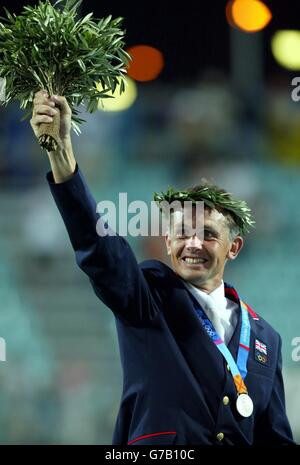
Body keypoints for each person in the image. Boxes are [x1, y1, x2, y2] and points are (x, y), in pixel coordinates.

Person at [30, 90, 295, 445]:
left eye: (208, 235)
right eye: (182, 233)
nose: (194, 244)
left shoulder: (266, 339)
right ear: (168, 243)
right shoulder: (149, 297)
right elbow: (100, 249)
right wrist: (61, 154)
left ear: (234, 247)